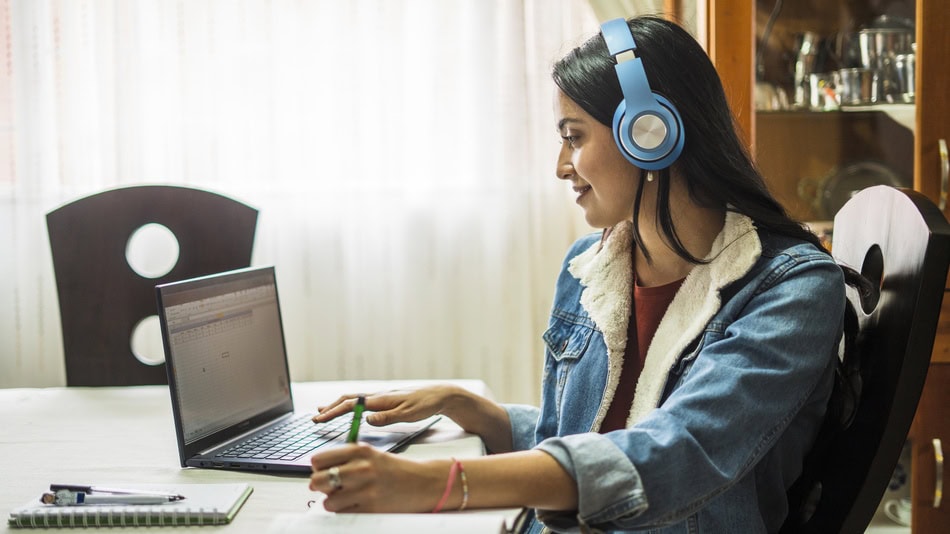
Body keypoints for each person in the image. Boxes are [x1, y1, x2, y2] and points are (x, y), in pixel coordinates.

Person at [307, 16, 865, 533]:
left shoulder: (790, 289)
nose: (560, 166)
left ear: (650, 134)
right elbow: (580, 440)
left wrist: (438, 484)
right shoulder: (589, 268)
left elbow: (681, 450)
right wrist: (472, 409)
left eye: (574, 137)